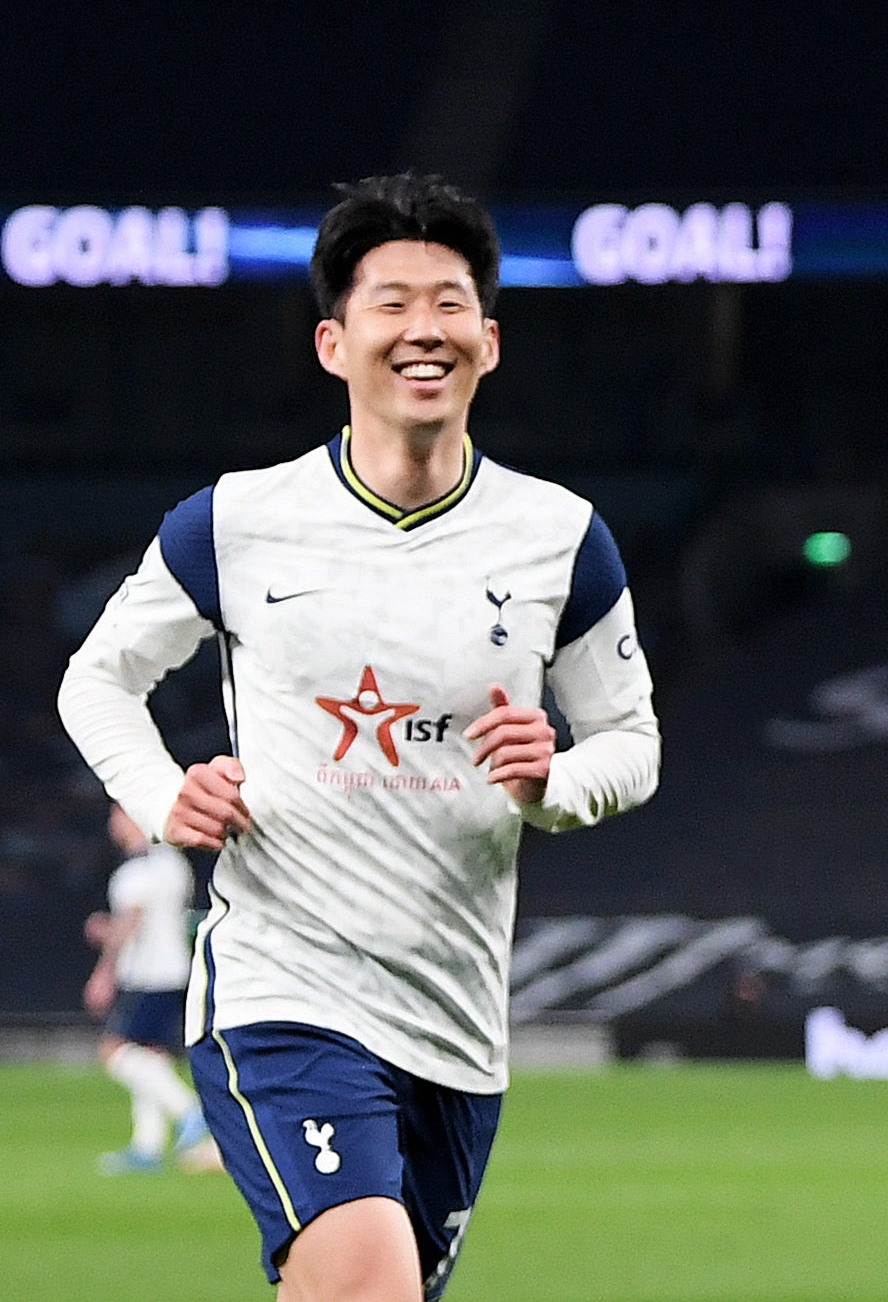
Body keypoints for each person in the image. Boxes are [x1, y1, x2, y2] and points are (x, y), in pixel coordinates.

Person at [58, 173, 660, 1301]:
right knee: (364, 1282)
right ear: (334, 344)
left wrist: (555, 782)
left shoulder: (560, 538)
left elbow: (631, 741)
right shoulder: (235, 521)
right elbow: (99, 680)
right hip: (281, 990)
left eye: (447, 302)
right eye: (390, 304)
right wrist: (158, 793)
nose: (421, 328)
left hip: (455, 1025)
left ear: (490, 338)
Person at [84, 803, 222, 1175]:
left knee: (114, 1051)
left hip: (145, 975)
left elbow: (133, 921)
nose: (114, 825)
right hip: (176, 971)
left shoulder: (138, 870)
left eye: (119, 815)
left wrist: (104, 970)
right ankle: (147, 1146)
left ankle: (190, 1112)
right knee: (152, 1057)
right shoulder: (173, 863)